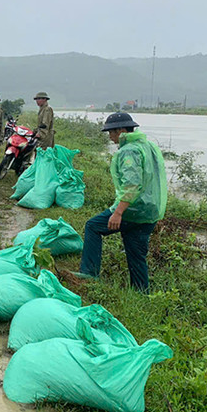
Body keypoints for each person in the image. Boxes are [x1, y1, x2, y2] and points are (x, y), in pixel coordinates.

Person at [73, 112, 167, 293]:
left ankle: (89, 274)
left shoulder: (129, 150)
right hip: (149, 211)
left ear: (122, 130)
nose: (110, 136)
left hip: (132, 210)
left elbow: (132, 184)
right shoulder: (148, 145)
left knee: (93, 226)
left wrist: (118, 213)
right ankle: (141, 294)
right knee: (136, 255)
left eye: (112, 132)